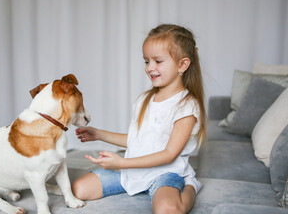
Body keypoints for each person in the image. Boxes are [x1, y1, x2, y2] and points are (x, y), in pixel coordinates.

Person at [72, 24, 206, 214]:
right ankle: (139, 184)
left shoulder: (186, 106)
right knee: (79, 189)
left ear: (182, 65)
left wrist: (122, 163)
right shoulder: (144, 99)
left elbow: (169, 154)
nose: (150, 68)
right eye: (146, 61)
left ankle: (191, 186)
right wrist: (99, 134)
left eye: (158, 61)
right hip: (134, 170)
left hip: (165, 173)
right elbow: (137, 140)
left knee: (168, 210)